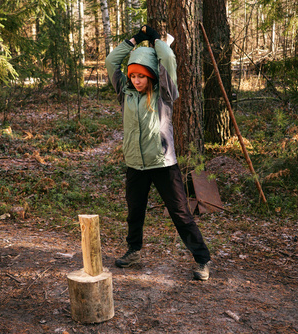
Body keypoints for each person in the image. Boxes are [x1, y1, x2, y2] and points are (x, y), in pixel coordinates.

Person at [105, 25, 211, 280]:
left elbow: (168, 59)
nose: (136, 80)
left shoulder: (165, 93)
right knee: (135, 211)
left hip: (163, 163)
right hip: (135, 164)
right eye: (133, 76)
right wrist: (133, 41)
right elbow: (111, 61)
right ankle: (134, 250)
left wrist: (154, 39)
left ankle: (202, 260)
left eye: (141, 76)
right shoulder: (125, 93)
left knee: (180, 213)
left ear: (151, 75)